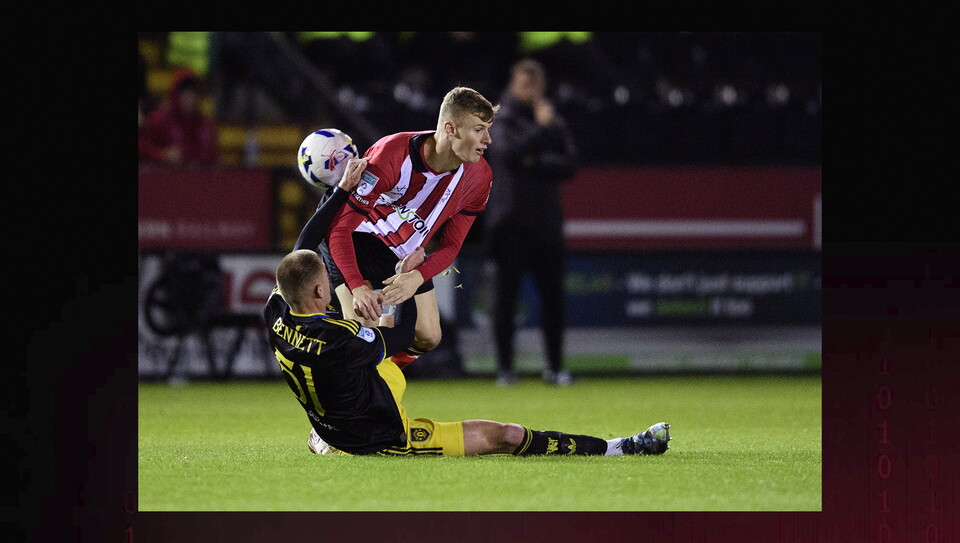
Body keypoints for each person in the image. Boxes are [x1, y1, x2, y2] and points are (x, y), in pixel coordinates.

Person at [265, 156, 672, 457]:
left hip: (349, 396)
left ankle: (322, 438)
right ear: (320, 293)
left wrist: (338, 193)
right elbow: (388, 335)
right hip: (379, 436)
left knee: (424, 337)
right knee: (505, 436)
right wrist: (406, 278)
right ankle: (621, 447)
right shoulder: (335, 334)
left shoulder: (278, 316)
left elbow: (302, 247)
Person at [320, 86, 497, 371]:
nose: (488, 140)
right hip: (357, 238)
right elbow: (339, 229)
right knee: (363, 331)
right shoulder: (392, 154)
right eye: (479, 129)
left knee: (429, 336)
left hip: (402, 251)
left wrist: (417, 276)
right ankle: (360, 390)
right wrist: (357, 287)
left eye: (488, 129)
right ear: (450, 129)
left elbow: (451, 246)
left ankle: (382, 378)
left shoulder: (480, 177)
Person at [483, 59, 579, 387]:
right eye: (525, 84)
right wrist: (542, 132)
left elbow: (569, 164)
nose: (530, 91)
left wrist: (533, 160)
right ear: (513, 84)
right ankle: (506, 369)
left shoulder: (550, 118)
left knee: (553, 299)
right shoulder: (501, 116)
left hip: (546, 223)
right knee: (505, 299)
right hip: (510, 221)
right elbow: (507, 153)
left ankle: (554, 367)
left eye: (535, 85)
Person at [138, 66, 220, 167]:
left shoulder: (207, 125)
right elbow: (142, 147)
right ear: (175, 94)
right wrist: (162, 155)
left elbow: (214, 160)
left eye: (192, 91)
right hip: (166, 179)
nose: (188, 96)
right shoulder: (159, 120)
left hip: (200, 180)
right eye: (184, 92)